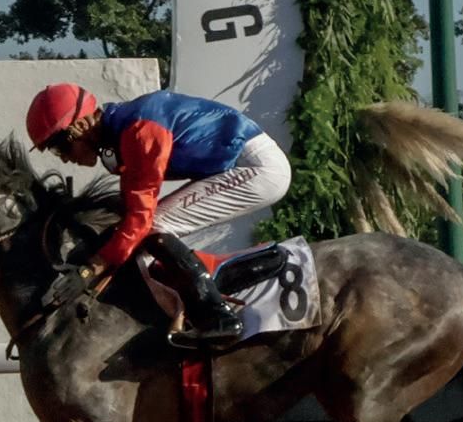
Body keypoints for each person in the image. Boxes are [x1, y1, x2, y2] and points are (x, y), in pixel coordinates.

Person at [26, 83, 292, 348]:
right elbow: (132, 209)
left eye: (60, 146)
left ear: (81, 126)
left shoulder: (139, 131)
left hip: (256, 167)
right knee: (145, 229)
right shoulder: (121, 132)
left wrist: (91, 268)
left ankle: (217, 316)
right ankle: (201, 297)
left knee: (153, 226)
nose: (62, 158)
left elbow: (139, 220)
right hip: (242, 164)